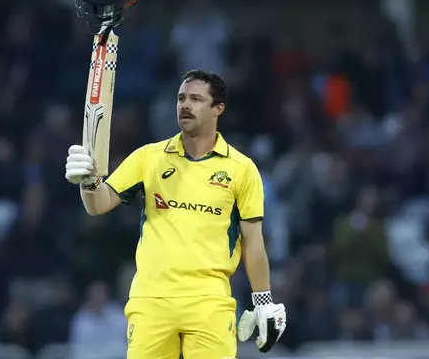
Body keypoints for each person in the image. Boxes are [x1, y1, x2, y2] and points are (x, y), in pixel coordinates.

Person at [65, 69, 286, 358]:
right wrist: (89, 182)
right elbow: (97, 205)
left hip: (209, 300)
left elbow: (253, 241)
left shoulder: (241, 169)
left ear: (218, 109)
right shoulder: (149, 157)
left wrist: (263, 300)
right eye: (181, 98)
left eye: (196, 98)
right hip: (151, 298)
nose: (185, 105)